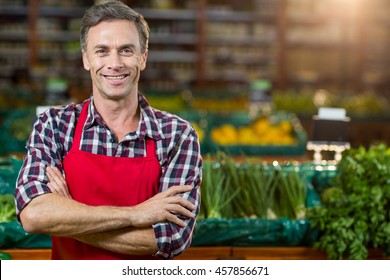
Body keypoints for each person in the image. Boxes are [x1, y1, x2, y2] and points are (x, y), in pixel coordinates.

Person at [14, 0, 202, 260]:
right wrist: (135, 214)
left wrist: (69, 215)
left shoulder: (177, 135)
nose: (114, 63)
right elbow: (34, 215)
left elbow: (169, 239)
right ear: (86, 59)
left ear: (143, 58)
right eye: (102, 51)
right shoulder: (55, 125)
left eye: (126, 50)